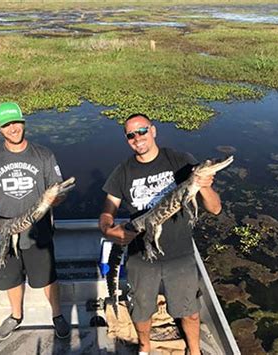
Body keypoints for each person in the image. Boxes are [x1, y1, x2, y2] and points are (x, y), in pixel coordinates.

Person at [99, 113, 222, 355]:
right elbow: (108, 209)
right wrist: (108, 229)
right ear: (127, 140)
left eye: (142, 131)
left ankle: (194, 350)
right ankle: (144, 348)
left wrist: (204, 185)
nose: (137, 138)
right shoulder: (123, 171)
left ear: (153, 131)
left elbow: (215, 208)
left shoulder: (180, 161)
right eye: (131, 135)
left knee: (190, 311)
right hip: (141, 254)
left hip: (180, 252)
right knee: (142, 311)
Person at [0, 102, 71, 340]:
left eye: (16, 122)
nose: (13, 128)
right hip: (4, 229)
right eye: (6, 125)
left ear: (23, 122)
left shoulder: (44, 155)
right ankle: (16, 316)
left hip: (38, 229)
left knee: (48, 276)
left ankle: (57, 315)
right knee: (9, 277)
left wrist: (55, 197)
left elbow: (60, 191)